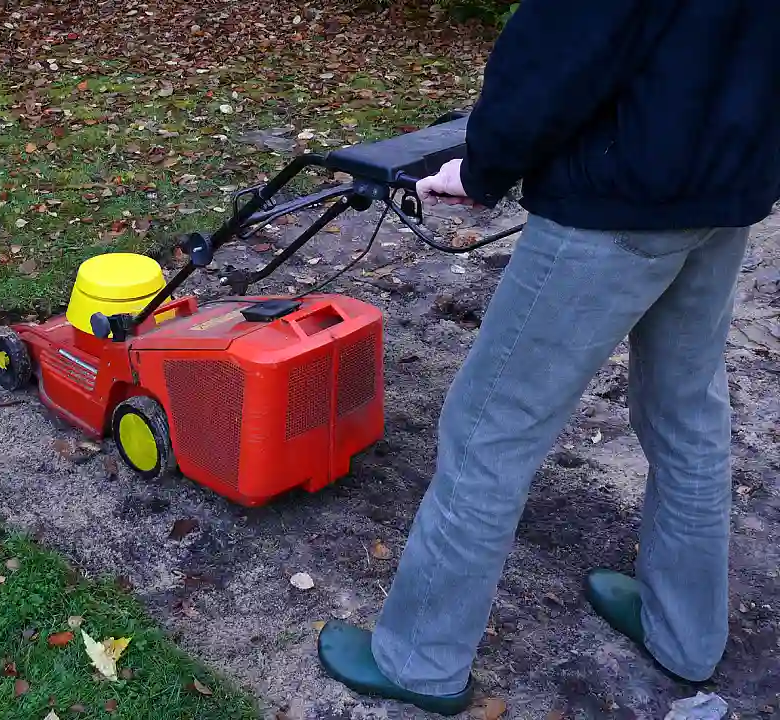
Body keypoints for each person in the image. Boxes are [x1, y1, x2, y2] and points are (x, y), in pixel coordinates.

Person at [316, 0, 780, 714]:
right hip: (724, 187)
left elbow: (564, 44)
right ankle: (685, 634)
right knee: (687, 410)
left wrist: (483, 167)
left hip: (616, 200)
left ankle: (419, 662)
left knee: (488, 429)